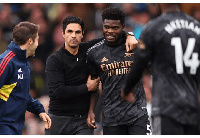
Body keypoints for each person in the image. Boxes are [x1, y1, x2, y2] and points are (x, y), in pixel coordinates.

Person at [45, 16, 137, 135]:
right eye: (69, 31)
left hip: (83, 120)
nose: (73, 35)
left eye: (77, 32)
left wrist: (129, 35)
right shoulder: (54, 60)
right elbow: (59, 91)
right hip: (58, 118)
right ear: (63, 34)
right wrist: (87, 87)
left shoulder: (89, 50)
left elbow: (112, 36)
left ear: (82, 34)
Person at [121, 3, 200, 135]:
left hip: (166, 106)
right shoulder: (197, 27)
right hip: (193, 107)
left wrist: (127, 88)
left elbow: (139, 62)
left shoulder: (153, 27)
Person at [86, 7, 151, 135]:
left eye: (115, 28)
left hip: (137, 115)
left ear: (123, 26)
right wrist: (91, 110)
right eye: (106, 27)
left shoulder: (134, 45)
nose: (110, 31)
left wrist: (134, 39)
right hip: (112, 118)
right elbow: (94, 85)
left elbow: (151, 66)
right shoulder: (94, 53)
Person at [0, 21, 51, 135]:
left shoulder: (24, 63)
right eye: (37, 39)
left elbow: (22, 93)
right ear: (30, 41)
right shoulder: (6, 61)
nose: (38, 44)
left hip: (15, 124)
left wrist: (40, 110)